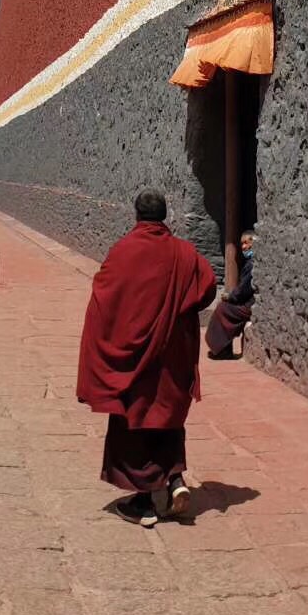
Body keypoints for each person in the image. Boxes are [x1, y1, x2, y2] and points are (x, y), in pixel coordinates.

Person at [77, 188, 217, 527]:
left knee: (135, 420)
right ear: (165, 216)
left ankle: (143, 503)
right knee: (167, 417)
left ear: (137, 216)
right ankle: (174, 479)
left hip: (135, 362)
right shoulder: (185, 253)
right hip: (172, 359)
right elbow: (208, 287)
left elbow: (105, 296)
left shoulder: (123, 252)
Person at [205, 231, 256, 359]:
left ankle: (222, 350)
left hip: (249, 305)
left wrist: (231, 296)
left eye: (246, 243)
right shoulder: (250, 263)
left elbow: (244, 289)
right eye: (242, 244)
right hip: (247, 302)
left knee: (222, 309)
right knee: (222, 307)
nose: (244, 247)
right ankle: (223, 348)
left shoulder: (252, 265)